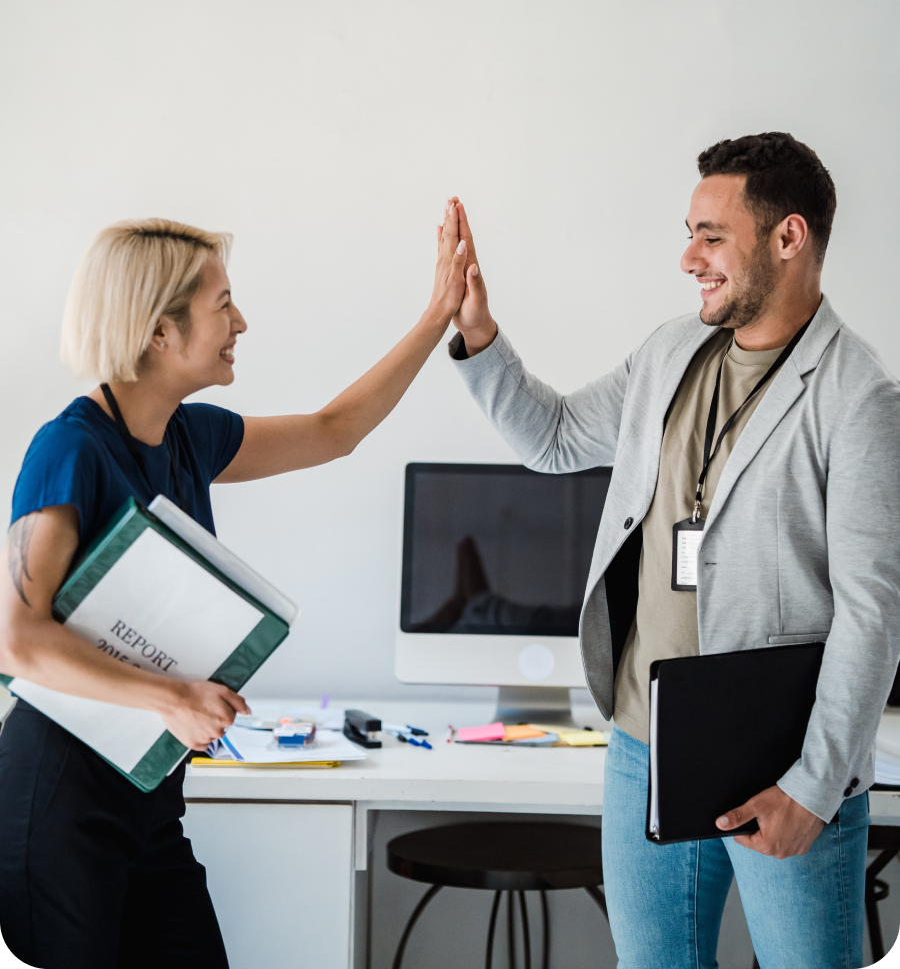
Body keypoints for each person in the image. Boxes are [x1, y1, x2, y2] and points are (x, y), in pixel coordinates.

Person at [444, 132, 900, 969]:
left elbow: (873, 615)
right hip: (642, 741)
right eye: (688, 232)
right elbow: (549, 438)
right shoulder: (669, 353)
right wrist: (478, 333)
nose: (689, 257)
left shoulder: (860, 398)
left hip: (782, 762)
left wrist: (814, 787)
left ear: (788, 237)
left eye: (712, 235)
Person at [0, 207, 471, 969]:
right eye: (223, 305)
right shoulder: (69, 449)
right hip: (59, 800)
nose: (241, 321)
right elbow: (18, 641)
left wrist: (436, 315)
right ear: (159, 331)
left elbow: (333, 429)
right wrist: (172, 698)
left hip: (147, 799)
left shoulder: (191, 436)